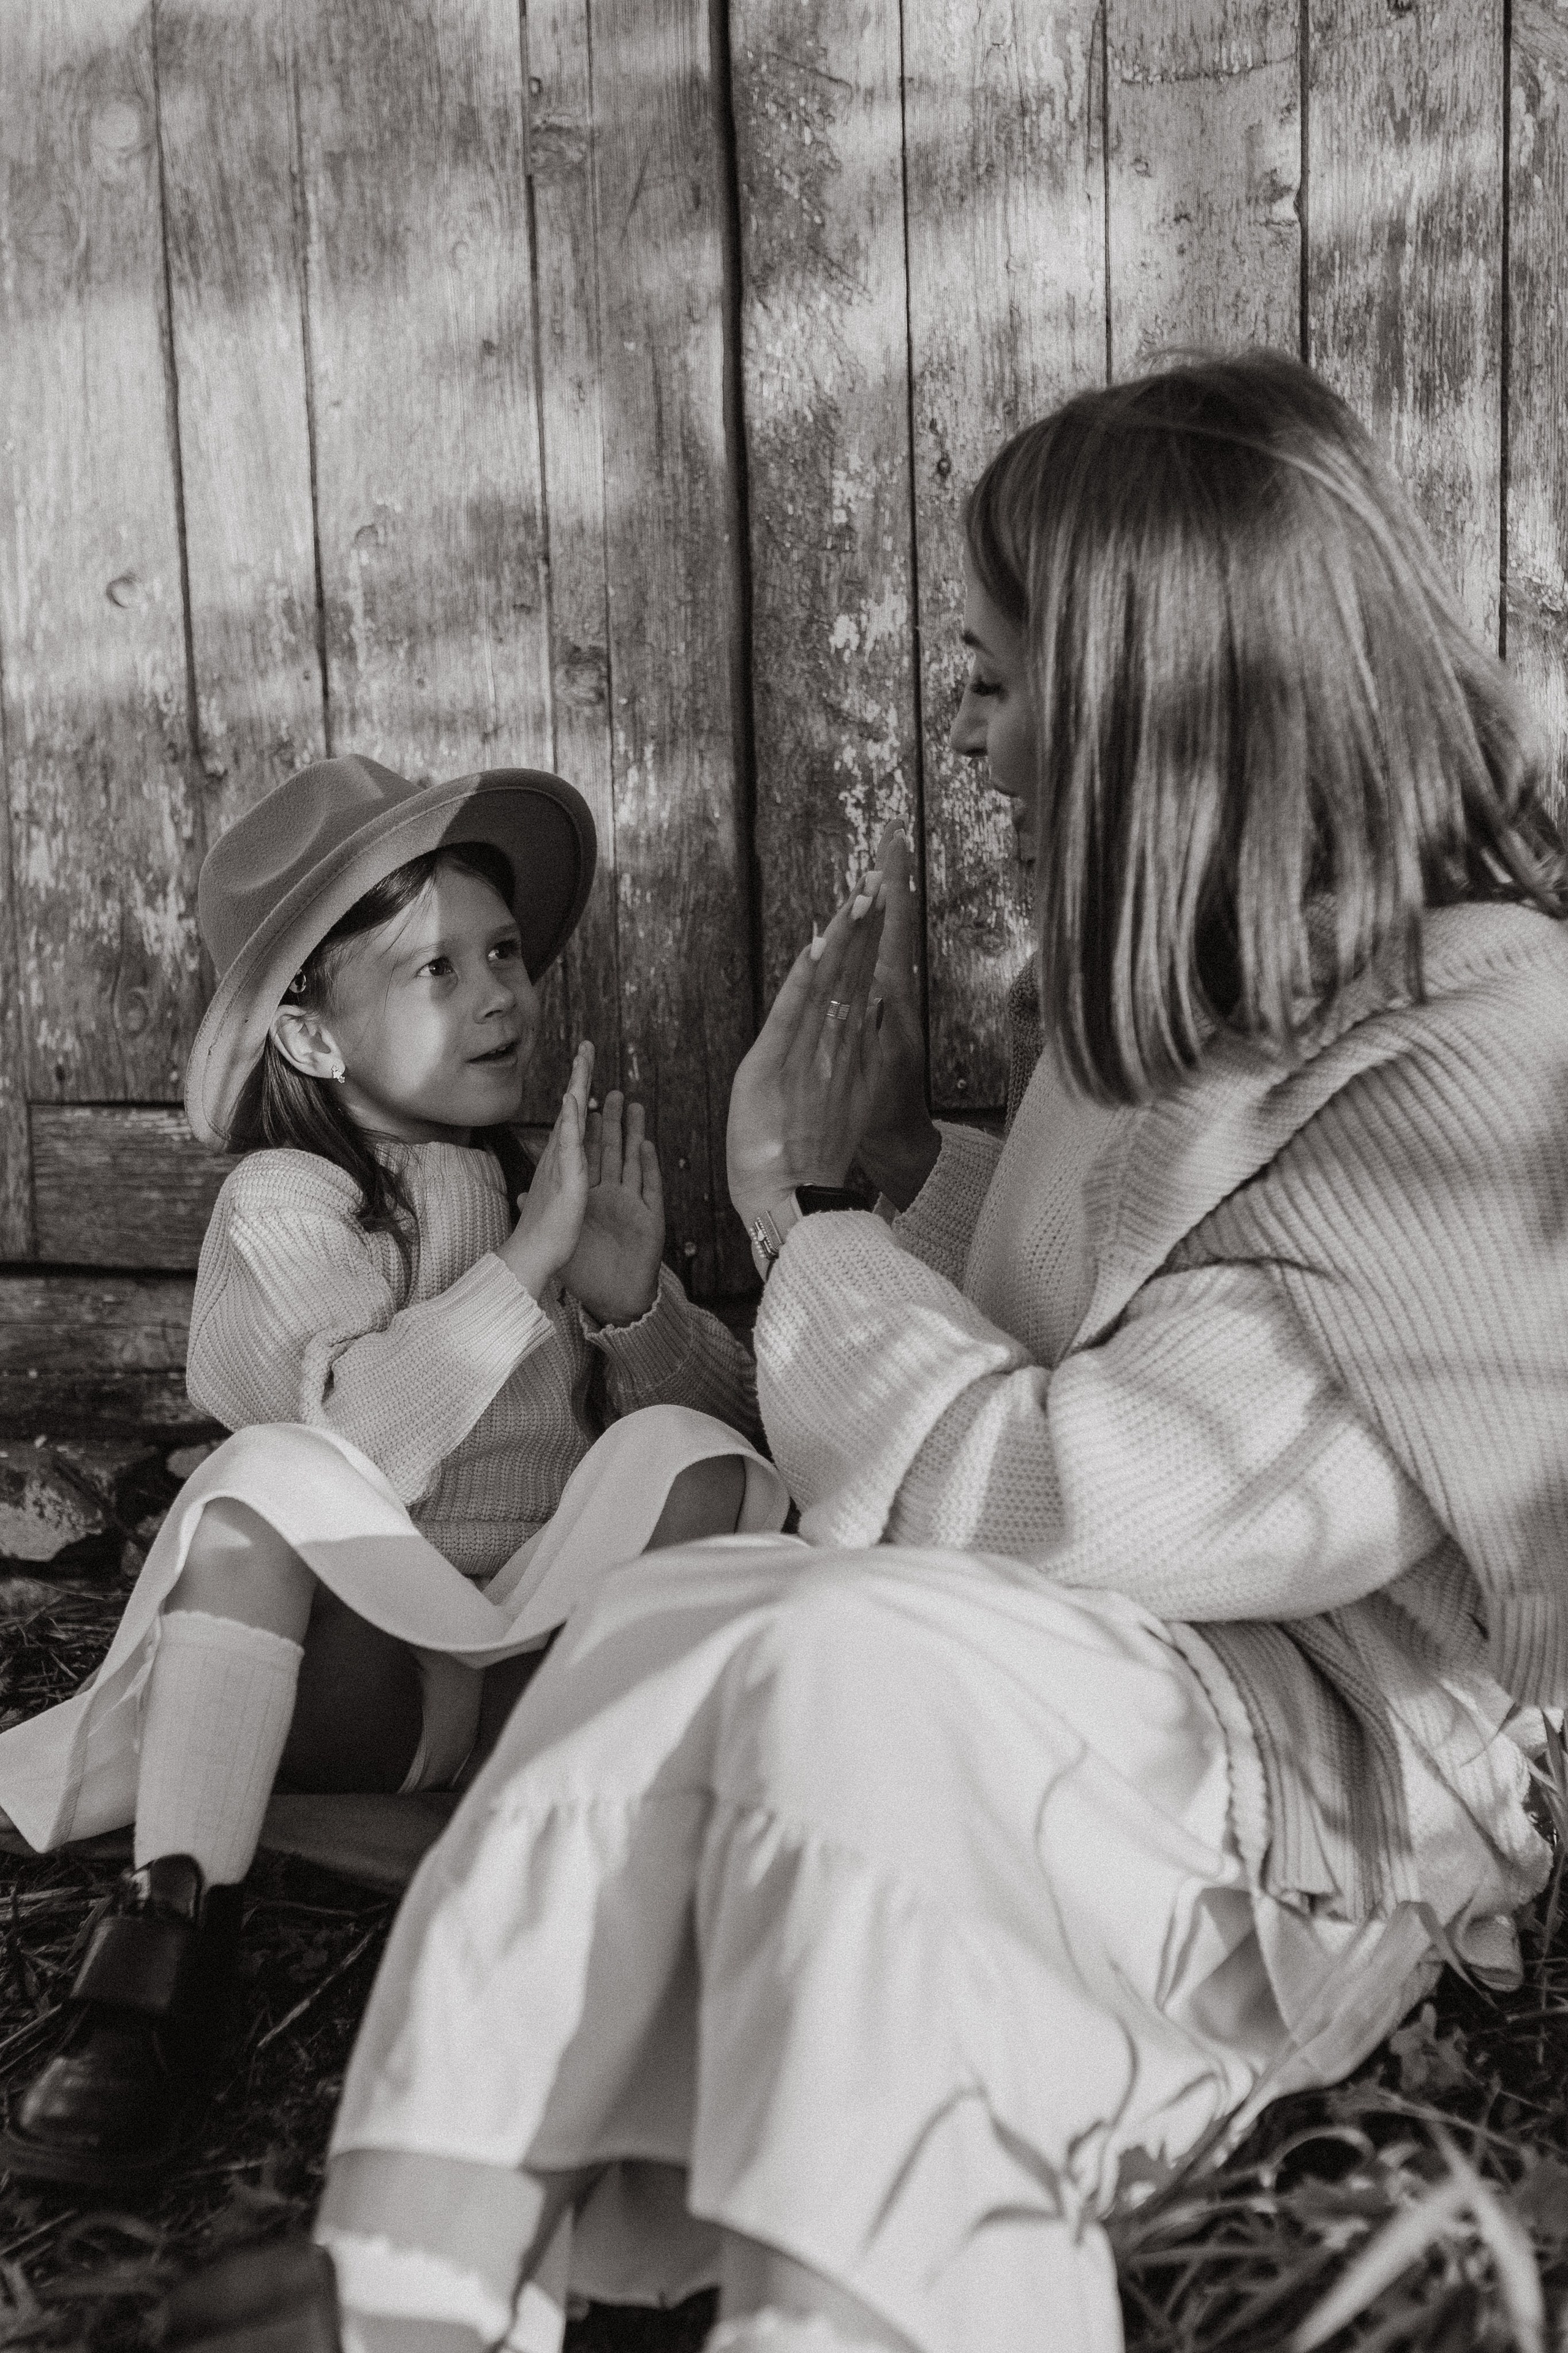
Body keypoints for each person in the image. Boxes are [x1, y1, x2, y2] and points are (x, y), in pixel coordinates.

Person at [127, 348, 1568, 2353]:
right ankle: (423, 2270)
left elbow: (1064, 1490)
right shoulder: (1214, 981)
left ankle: (837, 2307)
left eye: (993, 678)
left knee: (836, 1663)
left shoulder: (1471, 1073)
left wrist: (806, 1216)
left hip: (1304, 1805)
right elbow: (1120, 1308)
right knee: (679, 1614)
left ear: (1145, 698)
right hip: (1114, 1676)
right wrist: (902, 1169)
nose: (969, 738)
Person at [0, 755, 787, 2187]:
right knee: (257, 1489)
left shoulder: (542, 1187)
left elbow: (744, 1448)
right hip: (360, 1667)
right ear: (310, 1037)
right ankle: (165, 1953)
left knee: (690, 1450)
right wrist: (524, 1266)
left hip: (532, 1668)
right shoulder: (285, 1203)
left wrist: (629, 1306)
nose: (499, 994)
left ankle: (575, 1840)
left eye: (503, 952)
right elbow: (346, 1446)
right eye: (436, 968)